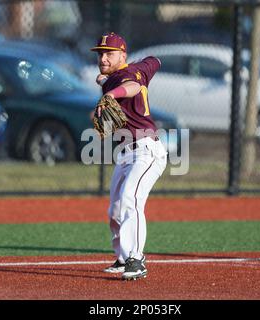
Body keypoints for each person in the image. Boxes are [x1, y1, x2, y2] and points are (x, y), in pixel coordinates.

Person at [90, 32, 167, 280]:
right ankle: (123, 258)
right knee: (114, 210)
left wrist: (111, 92)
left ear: (122, 54)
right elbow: (155, 61)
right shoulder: (136, 69)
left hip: (147, 150)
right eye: (101, 53)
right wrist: (107, 79)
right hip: (126, 153)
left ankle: (137, 258)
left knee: (131, 198)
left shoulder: (124, 78)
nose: (103, 58)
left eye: (109, 53)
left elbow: (134, 86)